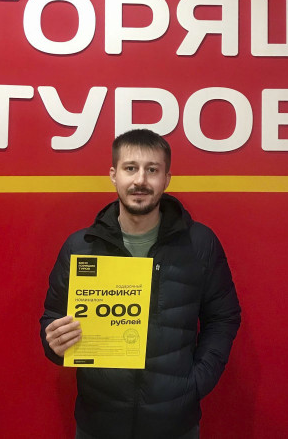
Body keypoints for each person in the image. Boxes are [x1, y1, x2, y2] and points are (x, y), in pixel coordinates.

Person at [40, 129, 241, 439]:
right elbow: (52, 318)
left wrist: (195, 383)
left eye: (152, 170)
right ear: (113, 174)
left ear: (167, 178)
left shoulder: (200, 243)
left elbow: (223, 317)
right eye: (130, 168)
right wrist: (54, 345)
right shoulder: (80, 247)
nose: (140, 180)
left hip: (175, 424)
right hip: (99, 423)